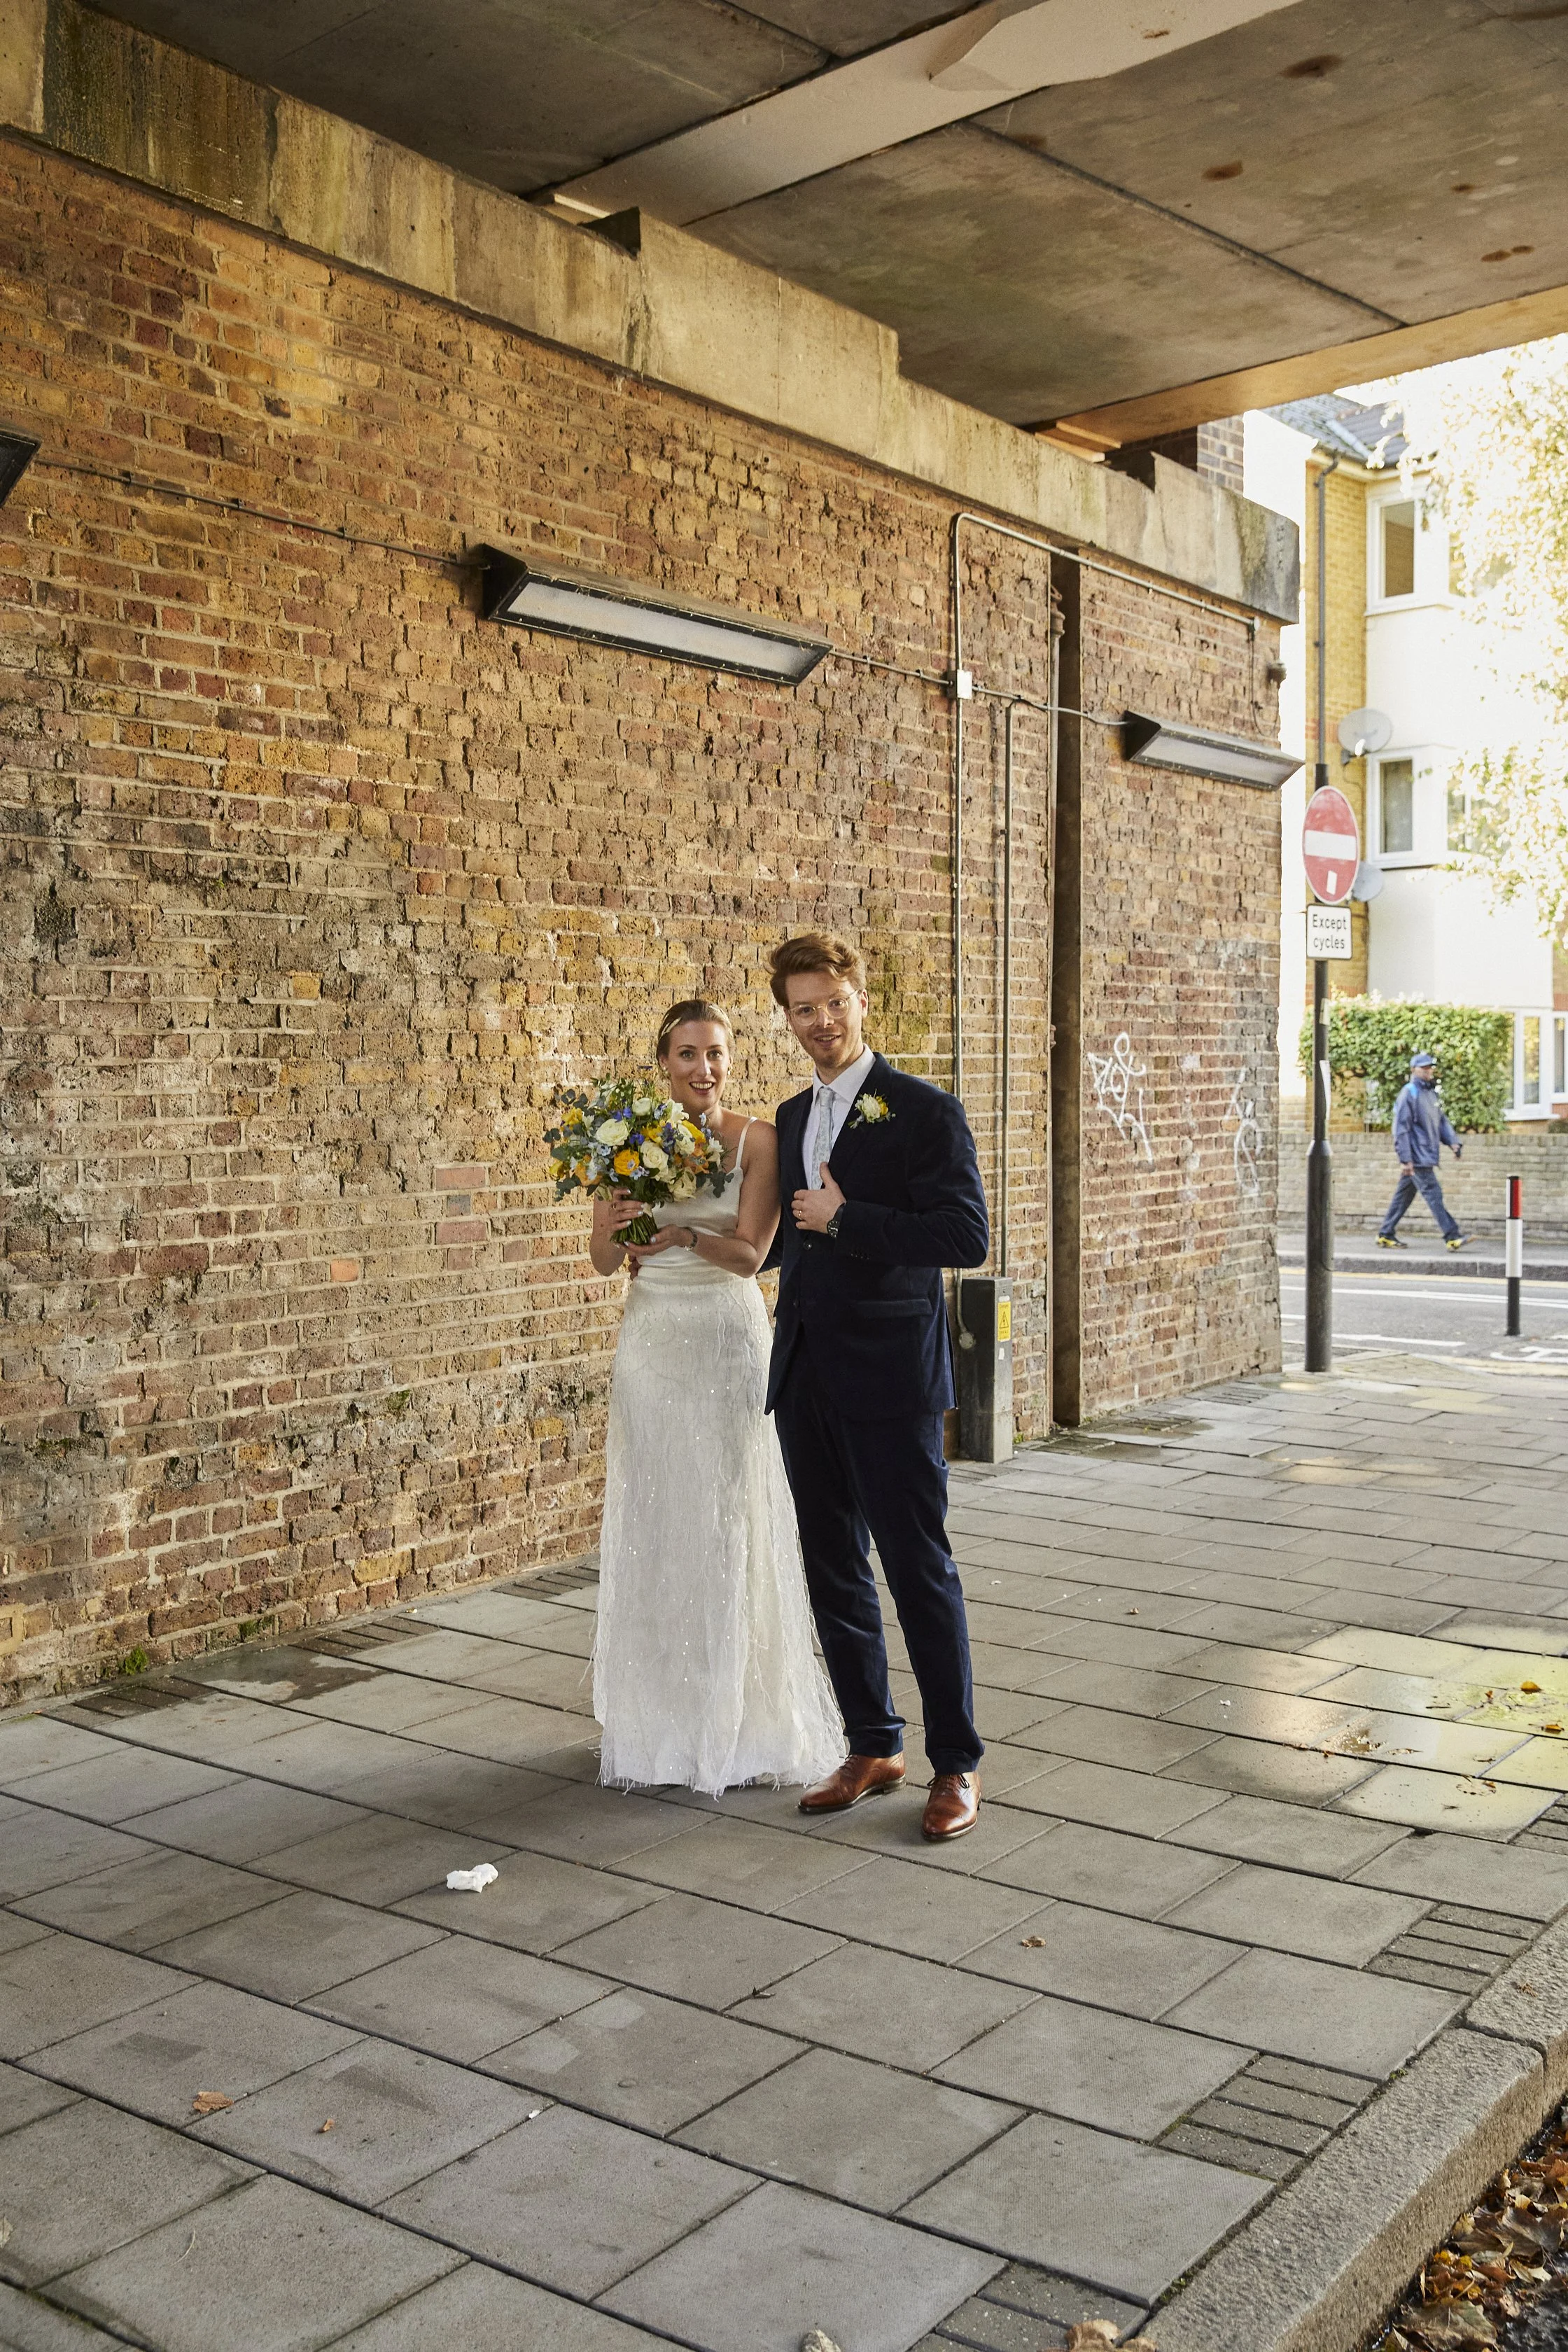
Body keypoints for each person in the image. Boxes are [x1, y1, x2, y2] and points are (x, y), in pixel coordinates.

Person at [765, 932, 991, 1841]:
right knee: (832, 1569)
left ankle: (957, 1764)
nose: (819, 1022)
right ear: (786, 1018)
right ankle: (871, 1742)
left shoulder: (922, 1111)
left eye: (831, 1003)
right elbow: (788, 1237)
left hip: (893, 1378)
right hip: (806, 1371)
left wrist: (848, 1216)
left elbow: (963, 1234)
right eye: (801, 1009)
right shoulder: (788, 1116)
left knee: (917, 1569)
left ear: (860, 1000)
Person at [588, 999, 844, 1796]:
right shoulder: (623, 1136)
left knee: (730, 1513)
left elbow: (749, 1255)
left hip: (726, 1337)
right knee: (661, 1513)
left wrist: (681, 1236)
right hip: (652, 1342)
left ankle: (740, 1719)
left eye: (717, 1054)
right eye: (688, 1054)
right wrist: (625, 1223)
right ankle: (660, 1723)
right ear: (662, 1062)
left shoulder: (757, 1140)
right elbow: (600, 1259)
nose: (704, 1068)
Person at [1377, 1051, 1470, 1252]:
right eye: (1424, 1068)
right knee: (1434, 1194)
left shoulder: (1431, 1094)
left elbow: (1441, 1122)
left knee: (1403, 1196)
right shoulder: (1409, 1093)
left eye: (1430, 1068)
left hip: (1426, 1155)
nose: (1428, 1071)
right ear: (1413, 1070)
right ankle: (1452, 1235)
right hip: (1417, 1157)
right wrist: (1406, 1159)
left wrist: (1453, 1143)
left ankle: (1385, 1234)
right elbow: (1401, 1129)